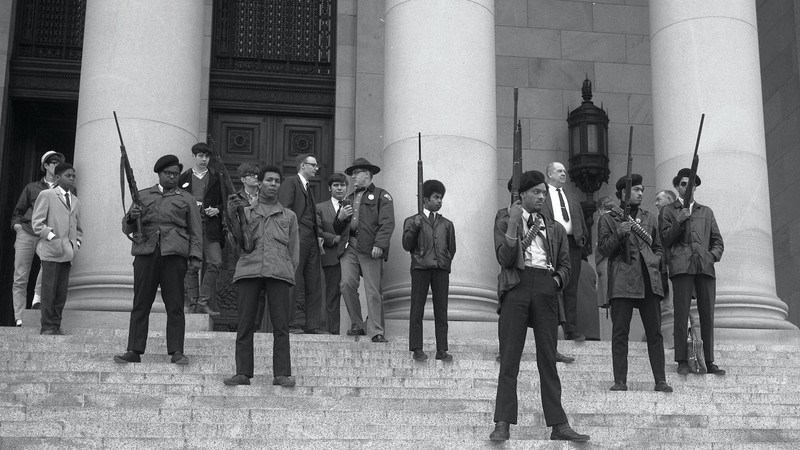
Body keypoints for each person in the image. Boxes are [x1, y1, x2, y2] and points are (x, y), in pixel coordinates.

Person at [489, 170, 589, 442]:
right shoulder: (504, 219)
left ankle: (559, 425)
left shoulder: (554, 227)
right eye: (536, 192)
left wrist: (556, 281)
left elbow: (567, 265)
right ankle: (502, 423)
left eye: (544, 193)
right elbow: (505, 258)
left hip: (545, 286)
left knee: (548, 359)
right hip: (516, 285)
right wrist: (512, 223)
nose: (542, 197)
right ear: (522, 195)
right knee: (509, 359)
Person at [114, 155, 202, 365]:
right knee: (141, 303)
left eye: (175, 174)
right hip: (146, 252)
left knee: (175, 305)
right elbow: (127, 228)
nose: (172, 177)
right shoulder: (142, 196)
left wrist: (196, 257)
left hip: (174, 254)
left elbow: (196, 231)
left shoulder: (186, 198)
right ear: (159, 174)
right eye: (168, 174)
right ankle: (134, 350)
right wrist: (132, 217)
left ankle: (177, 351)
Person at [223, 165, 299, 387]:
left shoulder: (289, 216)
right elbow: (235, 244)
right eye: (268, 180)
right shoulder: (245, 212)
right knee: (245, 324)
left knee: (281, 326)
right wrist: (231, 216)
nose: (273, 184)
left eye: (277, 181)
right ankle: (243, 373)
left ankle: (282, 374)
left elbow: (294, 251)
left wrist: (287, 272)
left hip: (279, 273)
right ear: (259, 183)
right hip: (250, 270)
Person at [597, 174, 672, 393]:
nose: (641, 193)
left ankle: (661, 380)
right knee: (620, 332)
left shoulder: (649, 218)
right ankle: (620, 380)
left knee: (655, 333)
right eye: (636, 189)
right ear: (623, 193)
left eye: (642, 190)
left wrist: (657, 260)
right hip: (623, 278)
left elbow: (658, 247)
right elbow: (603, 250)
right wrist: (619, 234)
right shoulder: (609, 219)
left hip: (649, 277)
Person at [660, 168, 725, 376]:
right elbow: (665, 240)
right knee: (681, 314)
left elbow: (718, 241)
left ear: (695, 187)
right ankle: (681, 360)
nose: (688, 187)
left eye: (691, 184)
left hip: (704, 267)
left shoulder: (706, 211)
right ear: (677, 186)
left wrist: (711, 256)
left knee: (708, 315)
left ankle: (709, 360)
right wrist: (679, 220)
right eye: (683, 184)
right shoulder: (669, 211)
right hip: (681, 267)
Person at [333, 157, 395, 343]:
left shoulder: (382, 196)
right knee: (346, 284)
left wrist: (380, 244)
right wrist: (340, 218)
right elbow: (337, 228)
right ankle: (358, 324)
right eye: (353, 173)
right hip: (349, 245)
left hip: (370, 247)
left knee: (373, 289)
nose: (353, 176)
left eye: (356, 173)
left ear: (367, 174)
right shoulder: (348, 198)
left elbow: (387, 223)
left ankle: (376, 330)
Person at [10, 150, 67, 326]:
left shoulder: (64, 188)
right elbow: (18, 212)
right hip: (27, 232)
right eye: (54, 162)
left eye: (60, 162)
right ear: (46, 166)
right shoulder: (32, 187)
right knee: (20, 275)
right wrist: (17, 227)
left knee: (48, 267)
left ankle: (37, 297)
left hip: (48, 235)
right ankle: (19, 318)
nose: (57, 165)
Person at [402, 180, 456, 362]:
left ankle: (442, 349)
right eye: (436, 197)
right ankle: (417, 348)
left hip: (440, 269)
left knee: (442, 310)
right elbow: (407, 245)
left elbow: (451, 248)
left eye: (441, 197)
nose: (439, 201)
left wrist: (445, 261)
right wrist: (416, 227)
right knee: (417, 309)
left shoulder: (447, 224)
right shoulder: (412, 220)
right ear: (425, 199)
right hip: (420, 268)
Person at [277, 153, 326, 334]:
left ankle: (312, 325)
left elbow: (312, 215)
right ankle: (287, 323)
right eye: (313, 165)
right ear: (302, 165)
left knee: (314, 282)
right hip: (297, 235)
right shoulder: (291, 182)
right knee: (294, 279)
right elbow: (285, 209)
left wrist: (318, 234)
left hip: (311, 238)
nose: (316, 168)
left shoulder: (308, 187)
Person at [30, 163, 82, 335]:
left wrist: (77, 244)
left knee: (61, 293)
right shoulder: (47, 195)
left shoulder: (76, 201)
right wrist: (52, 237)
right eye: (68, 176)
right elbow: (37, 223)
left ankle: (56, 325)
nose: (72, 179)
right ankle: (47, 326)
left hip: (68, 252)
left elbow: (78, 228)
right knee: (48, 291)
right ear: (58, 177)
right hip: (51, 251)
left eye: (73, 176)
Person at [541, 161, 588, 341]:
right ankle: (551, 328)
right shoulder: (543, 194)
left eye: (564, 171)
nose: (564, 174)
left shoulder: (572, 196)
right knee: (552, 285)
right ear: (549, 174)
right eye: (559, 171)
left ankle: (571, 329)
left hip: (572, 243)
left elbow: (580, 219)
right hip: (551, 242)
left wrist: (582, 238)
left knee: (571, 286)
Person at [178, 142, 223, 315]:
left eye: (207, 156)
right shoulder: (183, 178)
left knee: (215, 261)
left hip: (210, 226)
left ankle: (203, 300)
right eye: (200, 156)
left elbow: (224, 201)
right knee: (192, 265)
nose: (204, 159)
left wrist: (217, 209)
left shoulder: (216, 177)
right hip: (190, 227)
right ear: (194, 157)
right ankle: (192, 302)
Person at [316, 172, 350, 334]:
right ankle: (333, 332)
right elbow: (317, 231)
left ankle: (356, 327)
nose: (339, 188)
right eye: (336, 185)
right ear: (330, 188)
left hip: (352, 257)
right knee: (332, 296)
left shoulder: (354, 206)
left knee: (351, 293)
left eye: (342, 185)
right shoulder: (320, 208)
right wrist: (336, 239)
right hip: (332, 257)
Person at [655, 189, 677, 349]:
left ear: (669, 199)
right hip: (665, 267)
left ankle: (684, 340)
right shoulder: (662, 216)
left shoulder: (674, 215)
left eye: (659, 200)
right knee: (669, 304)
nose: (656, 203)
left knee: (674, 305)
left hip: (673, 266)